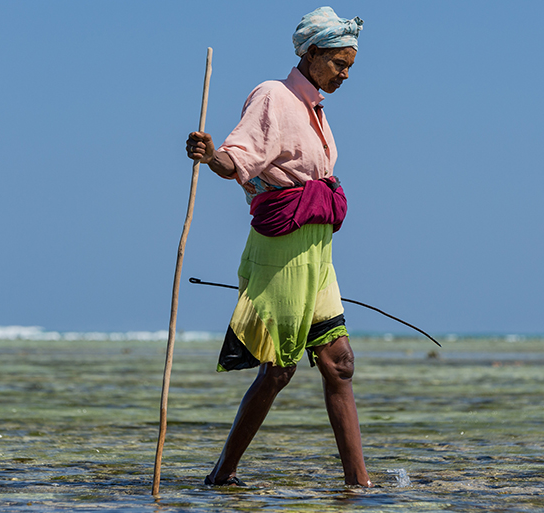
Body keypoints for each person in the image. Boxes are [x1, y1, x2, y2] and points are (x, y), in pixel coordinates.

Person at [185, 7, 371, 487]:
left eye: (350, 65)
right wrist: (212, 157)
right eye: (338, 64)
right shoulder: (274, 96)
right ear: (311, 54)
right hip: (283, 247)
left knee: (339, 362)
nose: (346, 74)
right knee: (279, 369)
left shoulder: (316, 111)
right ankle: (220, 476)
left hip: (317, 250)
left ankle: (358, 484)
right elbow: (238, 158)